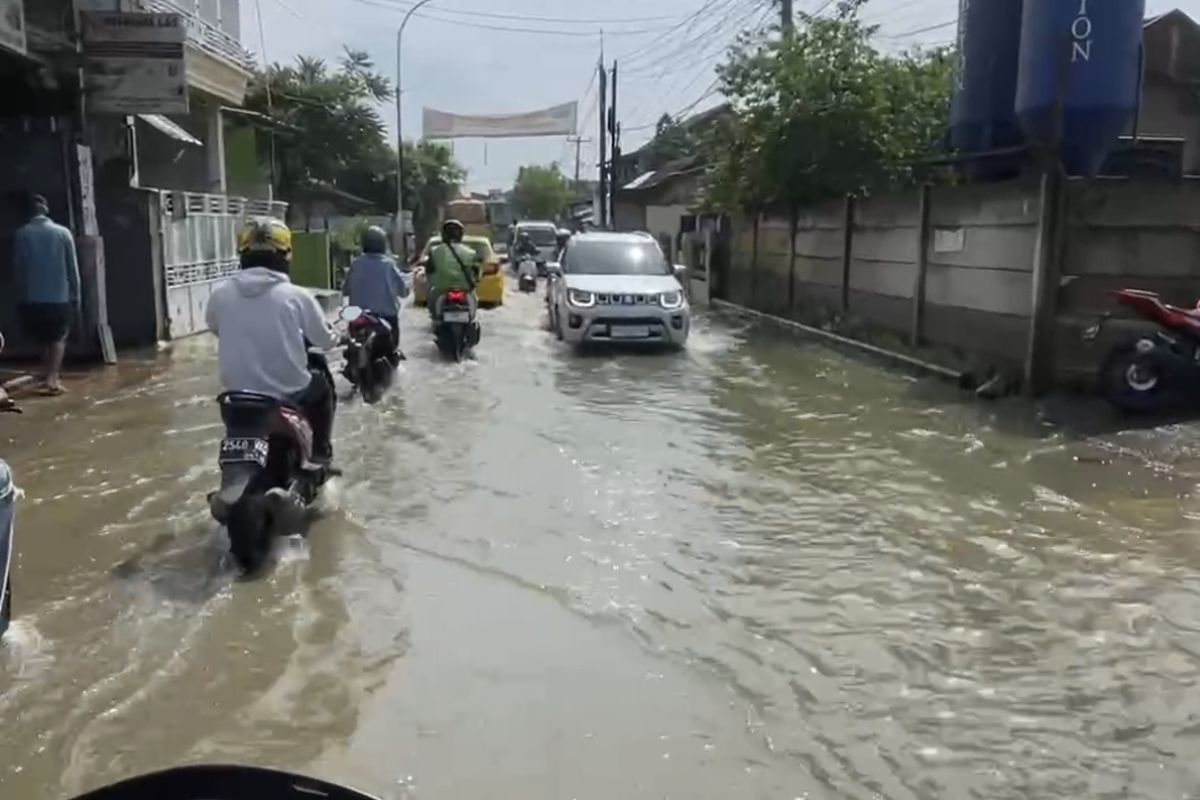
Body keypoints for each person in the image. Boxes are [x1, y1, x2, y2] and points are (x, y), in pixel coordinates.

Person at [205, 218, 339, 464]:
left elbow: (215, 327)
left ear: (242, 255)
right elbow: (325, 340)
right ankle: (320, 452)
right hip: (288, 394)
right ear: (285, 256)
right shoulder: (297, 297)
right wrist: (336, 335)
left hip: (237, 399)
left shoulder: (219, 295)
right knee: (322, 386)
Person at [12, 194, 80, 396]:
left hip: (32, 297)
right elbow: (72, 269)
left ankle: (46, 373)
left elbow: (18, 268)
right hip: (59, 297)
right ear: (46, 210)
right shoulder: (63, 233)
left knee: (42, 338)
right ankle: (52, 379)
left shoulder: (21, 234)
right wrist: (76, 294)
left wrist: (20, 295)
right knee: (58, 338)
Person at [342, 225, 410, 359]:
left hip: (357, 316)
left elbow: (345, 290)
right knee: (393, 350)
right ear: (383, 244)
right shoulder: (388, 264)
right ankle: (394, 354)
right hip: (385, 316)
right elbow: (403, 291)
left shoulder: (356, 264)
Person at [425, 219, 480, 319]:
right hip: (465, 289)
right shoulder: (470, 252)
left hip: (441, 289)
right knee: (474, 299)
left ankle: (436, 318)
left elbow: (429, 271)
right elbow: (476, 271)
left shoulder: (435, 251)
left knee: (432, 299)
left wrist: (432, 282)